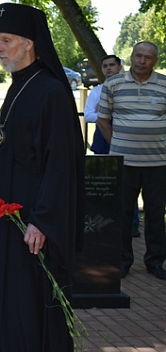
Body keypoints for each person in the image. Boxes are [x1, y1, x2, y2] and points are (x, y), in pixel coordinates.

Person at [0, 3, 84, 351]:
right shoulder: (18, 85)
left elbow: (61, 165)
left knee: (30, 300)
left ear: (30, 43)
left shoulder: (51, 92)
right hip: (9, 218)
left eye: (6, 41)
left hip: (33, 223)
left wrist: (42, 221)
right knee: (7, 297)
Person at [97, 41, 166, 281]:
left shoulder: (164, 85)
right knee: (123, 213)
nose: (142, 61)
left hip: (158, 162)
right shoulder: (113, 84)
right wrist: (118, 145)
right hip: (124, 163)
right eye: (138, 55)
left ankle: (155, 262)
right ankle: (123, 261)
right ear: (132, 56)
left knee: (156, 214)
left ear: (155, 61)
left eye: (148, 57)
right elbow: (103, 120)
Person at [84, 55, 140, 236]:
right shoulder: (97, 91)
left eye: (112, 65)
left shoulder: (130, 89)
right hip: (102, 142)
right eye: (105, 66)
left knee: (128, 184)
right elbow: (88, 115)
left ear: (120, 67)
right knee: (102, 185)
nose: (108, 68)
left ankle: (132, 224)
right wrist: (107, 115)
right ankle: (103, 223)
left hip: (127, 140)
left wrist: (104, 112)